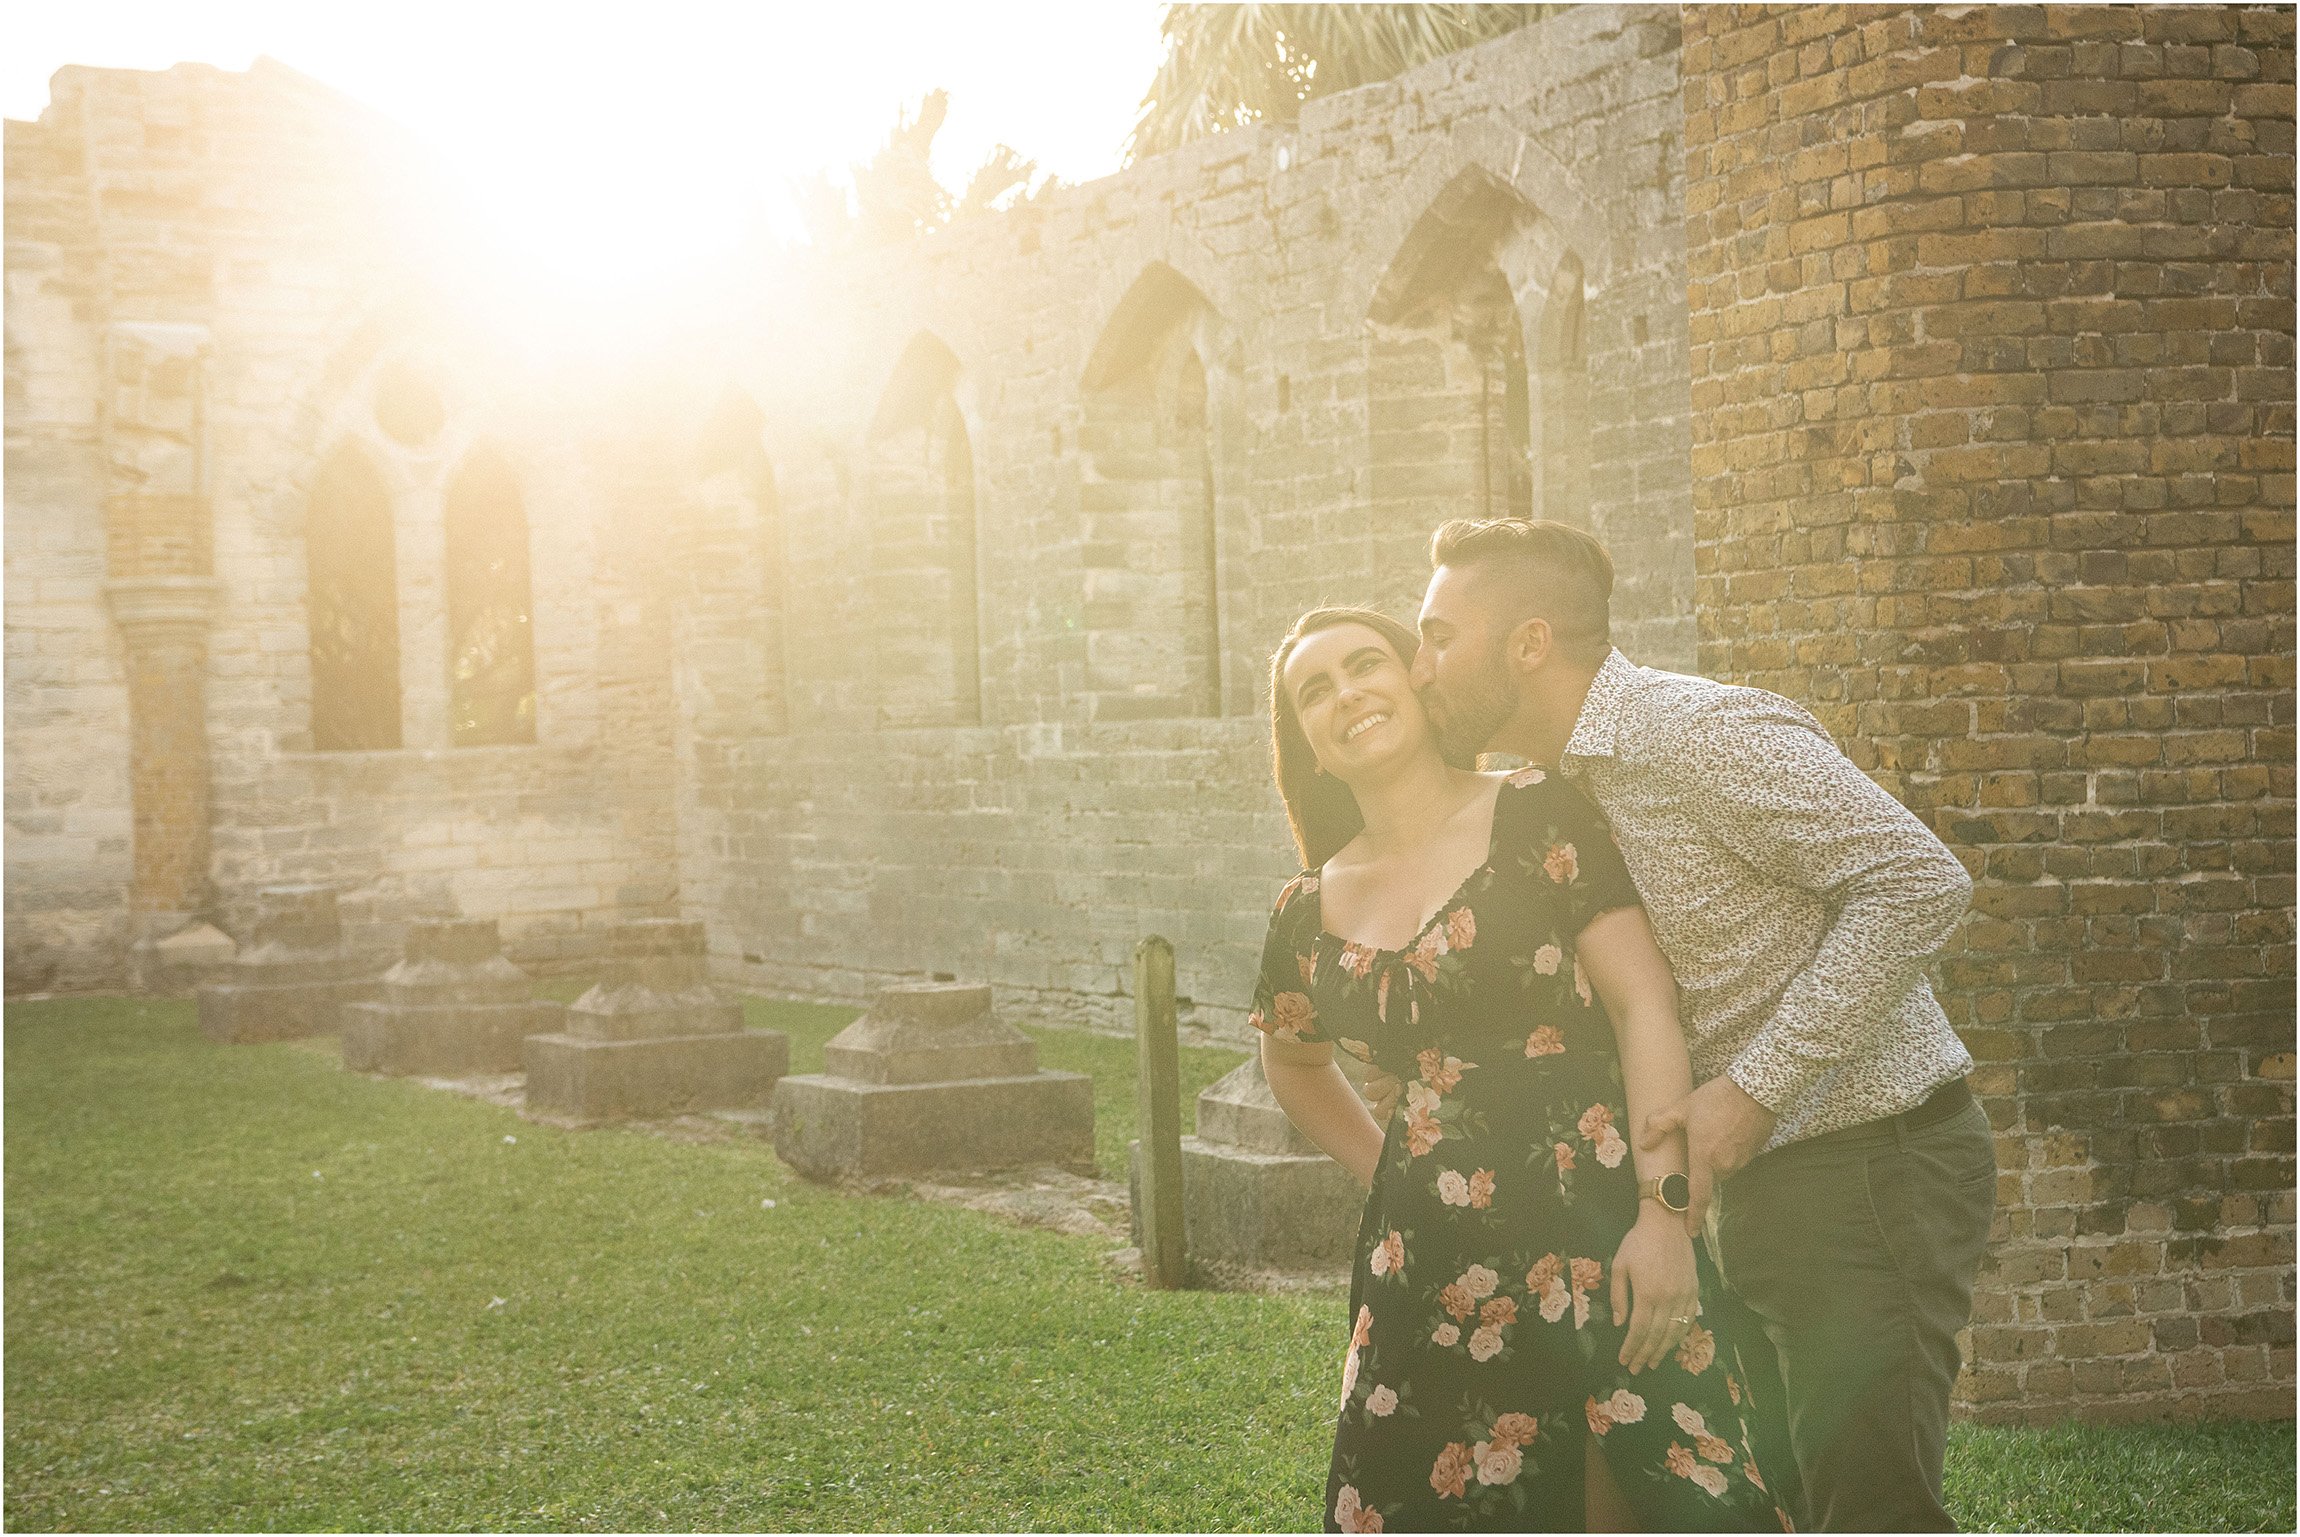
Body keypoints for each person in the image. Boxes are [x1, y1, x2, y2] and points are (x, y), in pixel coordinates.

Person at [1406, 518, 1996, 1533]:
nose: (1420, 669)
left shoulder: (1696, 735)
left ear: (1528, 642)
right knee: (1787, 1504)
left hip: (1872, 1166)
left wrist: (1752, 1088)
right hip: (1760, 1189)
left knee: (1871, 1512)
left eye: (1437, 636)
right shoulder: (1558, 794)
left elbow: (1918, 879)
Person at [1251, 605, 1789, 1533]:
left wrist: (1665, 1216)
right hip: (1426, 1275)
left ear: (1415, 679)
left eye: (1365, 664)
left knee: (1657, 1501)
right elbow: (1293, 1059)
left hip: (1600, 1234)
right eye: (1316, 690)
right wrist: (1386, 1167)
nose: (1348, 694)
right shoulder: (1306, 908)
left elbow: (1642, 1005)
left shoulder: (1538, 806)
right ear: (1308, 742)